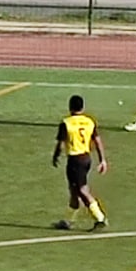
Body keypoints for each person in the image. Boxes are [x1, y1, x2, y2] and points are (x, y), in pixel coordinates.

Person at [52, 95, 108, 231]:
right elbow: (98, 140)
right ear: (82, 107)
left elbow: (60, 144)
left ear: (70, 107)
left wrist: (55, 156)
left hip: (75, 161)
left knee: (82, 190)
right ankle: (68, 221)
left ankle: (100, 218)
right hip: (86, 158)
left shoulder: (66, 123)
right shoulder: (89, 121)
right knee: (73, 190)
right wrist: (102, 160)